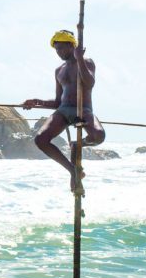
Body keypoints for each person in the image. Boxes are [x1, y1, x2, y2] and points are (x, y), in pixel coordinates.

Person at [22, 29, 105, 192]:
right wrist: (36, 102)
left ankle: (77, 145)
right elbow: (58, 102)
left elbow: (89, 84)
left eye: (61, 48)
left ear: (71, 45)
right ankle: (73, 170)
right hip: (64, 110)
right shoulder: (58, 70)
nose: (59, 52)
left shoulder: (87, 62)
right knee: (41, 139)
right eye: (56, 49)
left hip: (83, 110)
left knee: (99, 136)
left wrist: (79, 58)